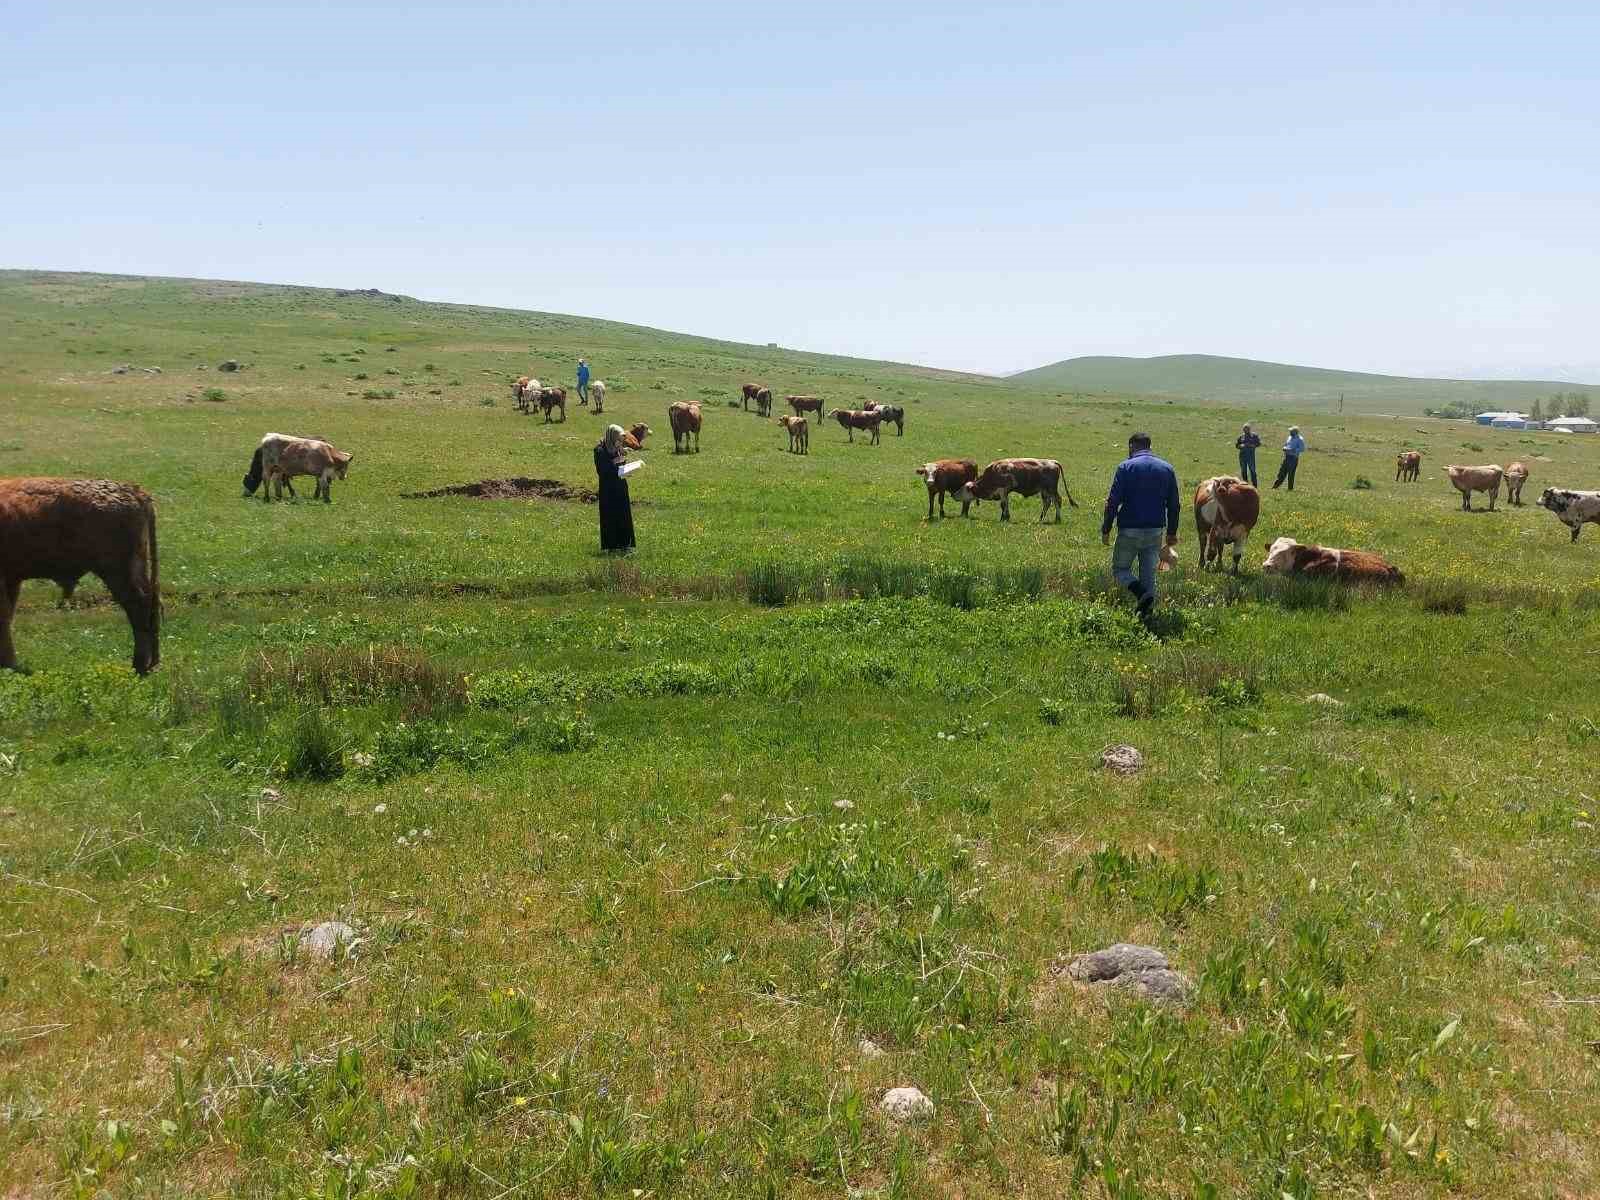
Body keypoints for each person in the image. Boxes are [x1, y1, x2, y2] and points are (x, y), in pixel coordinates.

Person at [1101, 432, 1181, 619]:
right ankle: (1147, 615)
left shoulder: (1125, 467)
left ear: (1131, 446)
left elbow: (1113, 502)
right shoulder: (1167, 468)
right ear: (1149, 446)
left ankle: (1140, 594)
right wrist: (1171, 533)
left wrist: (1106, 528)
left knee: (1120, 570)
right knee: (1148, 576)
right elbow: (1174, 505)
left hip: (1129, 529)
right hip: (1155, 531)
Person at [594, 424, 635, 553]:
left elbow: (620, 465)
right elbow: (602, 470)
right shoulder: (600, 450)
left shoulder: (617, 448)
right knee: (610, 516)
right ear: (611, 437)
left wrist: (624, 462)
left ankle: (625, 544)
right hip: (608, 489)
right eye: (618, 439)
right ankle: (611, 546)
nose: (620, 442)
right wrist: (615, 462)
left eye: (621, 440)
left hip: (621, 486)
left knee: (624, 515)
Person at [1273, 425, 1306, 490]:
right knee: (1282, 472)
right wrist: (1284, 448)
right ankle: (1275, 487)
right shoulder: (1289, 437)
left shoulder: (1300, 439)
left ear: (1295, 432)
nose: (1290, 432)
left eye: (1291, 431)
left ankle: (1290, 488)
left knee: (1291, 474)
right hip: (1287, 457)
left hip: (1293, 458)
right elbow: (1286, 444)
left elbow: (1302, 448)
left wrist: (1293, 450)